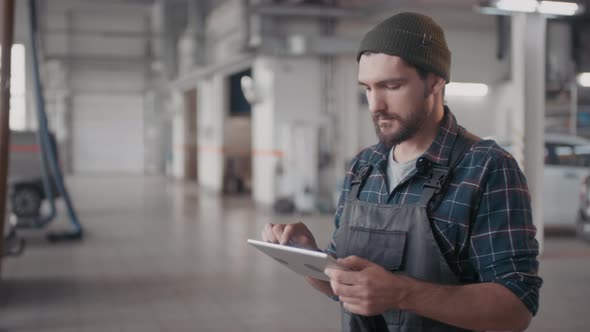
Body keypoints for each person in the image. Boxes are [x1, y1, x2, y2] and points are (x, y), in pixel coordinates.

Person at [261, 12, 542, 332]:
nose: (375, 104)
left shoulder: (486, 167)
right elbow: (347, 290)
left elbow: (516, 309)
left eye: (391, 86)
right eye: (367, 88)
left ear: (435, 81)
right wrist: (310, 260)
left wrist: (402, 293)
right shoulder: (362, 168)